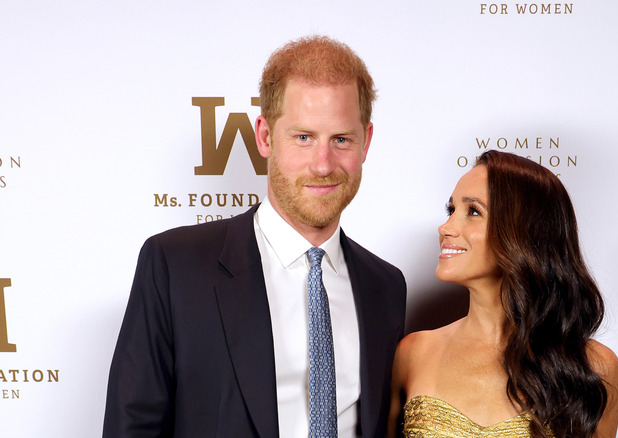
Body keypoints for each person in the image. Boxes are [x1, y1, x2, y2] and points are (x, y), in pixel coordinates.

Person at [103, 35, 407, 438]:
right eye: (303, 137)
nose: (322, 164)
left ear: (365, 142)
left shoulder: (384, 286)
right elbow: (132, 428)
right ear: (264, 136)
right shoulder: (176, 265)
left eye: (341, 140)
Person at [388, 150, 618, 437]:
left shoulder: (593, 367)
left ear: (523, 231)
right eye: (451, 210)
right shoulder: (414, 352)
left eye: (473, 211)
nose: (446, 227)